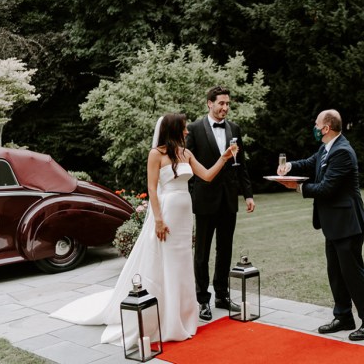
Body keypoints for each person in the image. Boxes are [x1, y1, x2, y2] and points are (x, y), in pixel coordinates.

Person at [50, 114, 235, 345]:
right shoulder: (155, 154)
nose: (187, 132)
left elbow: (206, 176)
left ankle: (183, 314)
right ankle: (166, 316)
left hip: (185, 216)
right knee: (166, 261)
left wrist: (224, 158)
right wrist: (158, 219)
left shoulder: (186, 153)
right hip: (167, 212)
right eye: (184, 128)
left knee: (183, 261)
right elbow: (151, 187)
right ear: (173, 129)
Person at [275, 109, 364, 341]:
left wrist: (296, 187)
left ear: (326, 128)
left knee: (353, 273)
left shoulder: (343, 151)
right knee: (335, 272)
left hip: (348, 223)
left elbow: (326, 188)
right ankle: (344, 316)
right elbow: (310, 163)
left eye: (316, 124)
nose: (314, 127)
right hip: (333, 224)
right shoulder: (327, 147)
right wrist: (290, 167)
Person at [186, 86, 255, 321]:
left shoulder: (234, 129)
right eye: (221, 103)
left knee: (225, 249)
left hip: (229, 199)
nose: (225, 107)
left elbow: (241, 165)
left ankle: (222, 296)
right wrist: (191, 194)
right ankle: (202, 300)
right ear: (209, 103)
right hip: (204, 200)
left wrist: (247, 194)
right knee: (202, 253)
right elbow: (187, 167)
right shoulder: (194, 129)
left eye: (227, 104)